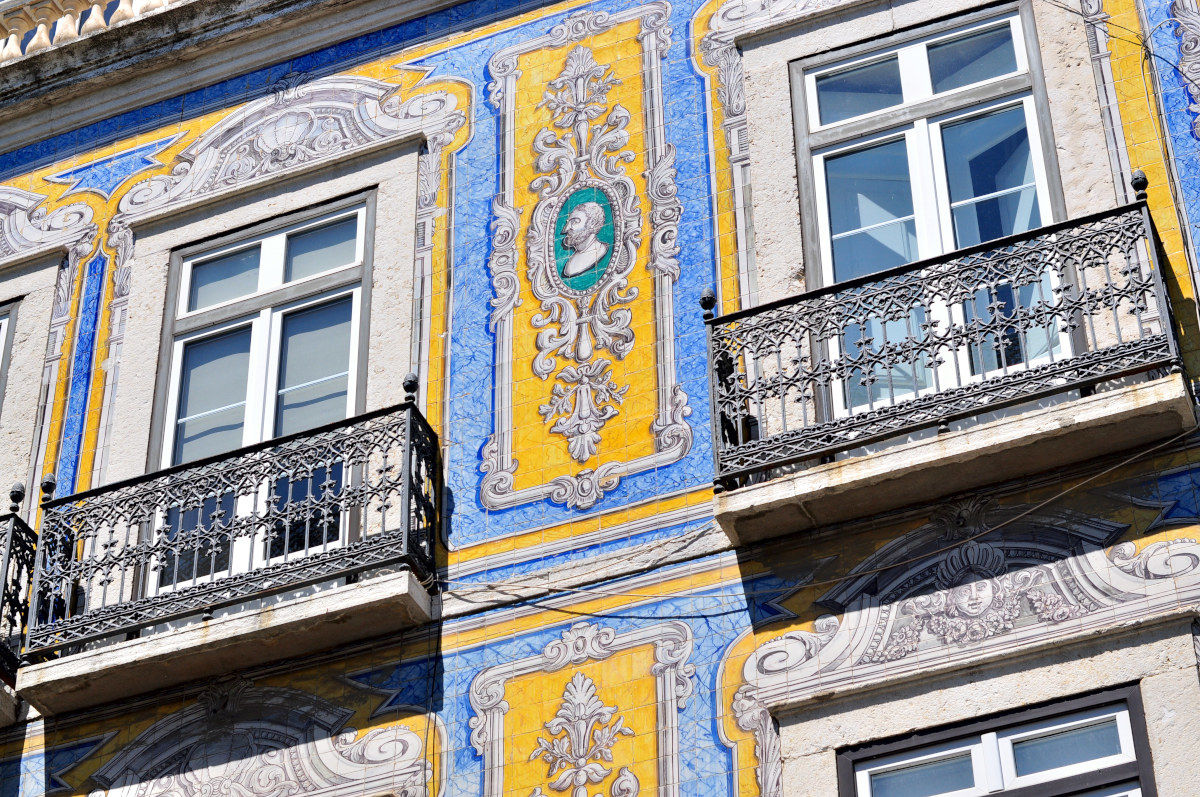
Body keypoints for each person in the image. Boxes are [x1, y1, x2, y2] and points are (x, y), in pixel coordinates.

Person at [560, 201, 608, 278]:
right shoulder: (570, 265)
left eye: (575, 222)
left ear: (592, 224)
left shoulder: (600, 251)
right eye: (568, 222)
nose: (566, 229)